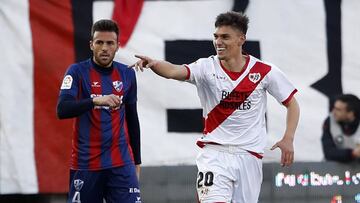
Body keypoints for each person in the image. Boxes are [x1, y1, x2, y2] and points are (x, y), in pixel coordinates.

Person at [132, 11, 300, 203]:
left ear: (241, 39)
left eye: (225, 37)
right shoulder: (205, 67)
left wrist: (288, 138)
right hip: (214, 155)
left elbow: (292, 104)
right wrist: (155, 64)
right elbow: (174, 71)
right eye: (216, 36)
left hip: (249, 157)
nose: (218, 42)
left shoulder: (264, 71)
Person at [57, 19, 141, 203]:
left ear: (118, 46)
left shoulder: (127, 74)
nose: (104, 48)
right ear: (91, 45)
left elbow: (132, 118)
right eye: (99, 42)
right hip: (86, 163)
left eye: (110, 43)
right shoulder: (76, 72)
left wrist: (137, 161)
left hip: (121, 163)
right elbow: (62, 109)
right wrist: (95, 100)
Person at [321, 94, 360, 163]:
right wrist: (352, 153)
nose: (333, 112)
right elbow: (328, 152)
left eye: (338, 110)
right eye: (334, 108)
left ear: (350, 113)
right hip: (333, 169)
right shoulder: (329, 122)